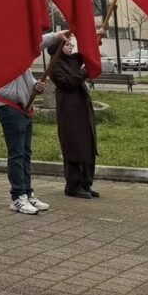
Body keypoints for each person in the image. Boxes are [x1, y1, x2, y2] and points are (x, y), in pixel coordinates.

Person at [0, 61, 51, 216]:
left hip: (24, 108)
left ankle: (27, 192)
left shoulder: (21, 57)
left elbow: (26, 79)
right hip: (9, 108)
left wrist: (35, 85)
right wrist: (58, 36)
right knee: (16, 153)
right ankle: (18, 196)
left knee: (25, 153)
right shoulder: (5, 55)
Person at [47, 29, 101, 198]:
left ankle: (86, 183)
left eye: (71, 44)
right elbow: (68, 82)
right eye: (67, 45)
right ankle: (73, 185)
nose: (71, 47)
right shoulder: (55, 65)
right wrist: (84, 72)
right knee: (74, 146)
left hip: (82, 108)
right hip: (69, 110)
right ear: (58, 47)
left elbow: (87, 54)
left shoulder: (72, 60)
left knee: (87, 145)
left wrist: (96, 38)